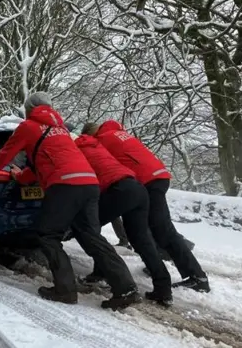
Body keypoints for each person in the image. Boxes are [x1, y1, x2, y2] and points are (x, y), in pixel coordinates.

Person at [0, 92, 141, 309]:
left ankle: (65, 290)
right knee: (91, 236)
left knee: (48, 235)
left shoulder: (28, 127)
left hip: (64, 186)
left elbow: (6, 153)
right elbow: (42, 165)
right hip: (90, 183)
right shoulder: (61, 130)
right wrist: (21, 176)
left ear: (29, 109)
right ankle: (126, 288)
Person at [84, 121, 210, 292]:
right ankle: (167, 269)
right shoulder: (122, 135)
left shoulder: (101, 140)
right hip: (158, 177)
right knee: (150, 229)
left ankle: (196, 276)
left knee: (155, 230)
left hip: (142, 182)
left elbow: (104, 166)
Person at [74, 132, 173, 306]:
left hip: (118, 190)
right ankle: (163, 288)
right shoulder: (98, 146)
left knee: (90, 230)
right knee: (142, 240)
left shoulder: (76, 151)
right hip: (137, 188)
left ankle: (104, 274)